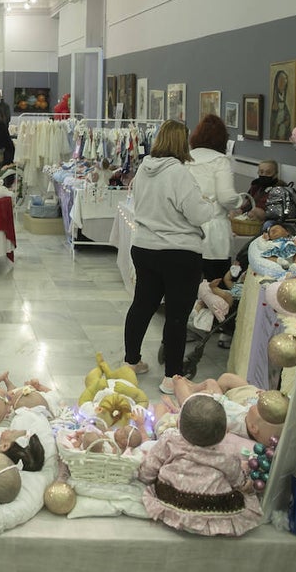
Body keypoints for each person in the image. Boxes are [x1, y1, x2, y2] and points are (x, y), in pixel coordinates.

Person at [123, 120, 219, 395]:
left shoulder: (144, 168)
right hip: (178, 251)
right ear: (182, 142)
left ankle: (131, 362)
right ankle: (172, 377)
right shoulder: (179, 174)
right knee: (177, 314)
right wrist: (208, 204)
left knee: (142, 305)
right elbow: (198, 214)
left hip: (144, 246)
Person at [138, 394, 262, 536]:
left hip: (171, 498)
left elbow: (150, 468)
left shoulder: (170, 440)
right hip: (214, 506)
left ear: (178, 424)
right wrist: (245, 481)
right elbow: (237, 480)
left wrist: (144, 476)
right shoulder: (227, 452)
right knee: (244, 494)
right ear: (225, 432)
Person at [187, 114, 240, 281]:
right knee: (215, 283)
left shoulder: (186, 158)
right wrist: (240, 201)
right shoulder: (220, 161)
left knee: (188, 283)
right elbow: (226, 197)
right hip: (214, 230)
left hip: (187, 228)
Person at [269, 70, 291, 141]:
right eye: (280, 80)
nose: (283, 83)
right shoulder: (274, 100)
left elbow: (287, 117)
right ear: (276, 82)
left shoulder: (284, 100)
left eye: (284, 81)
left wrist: (285, 122)